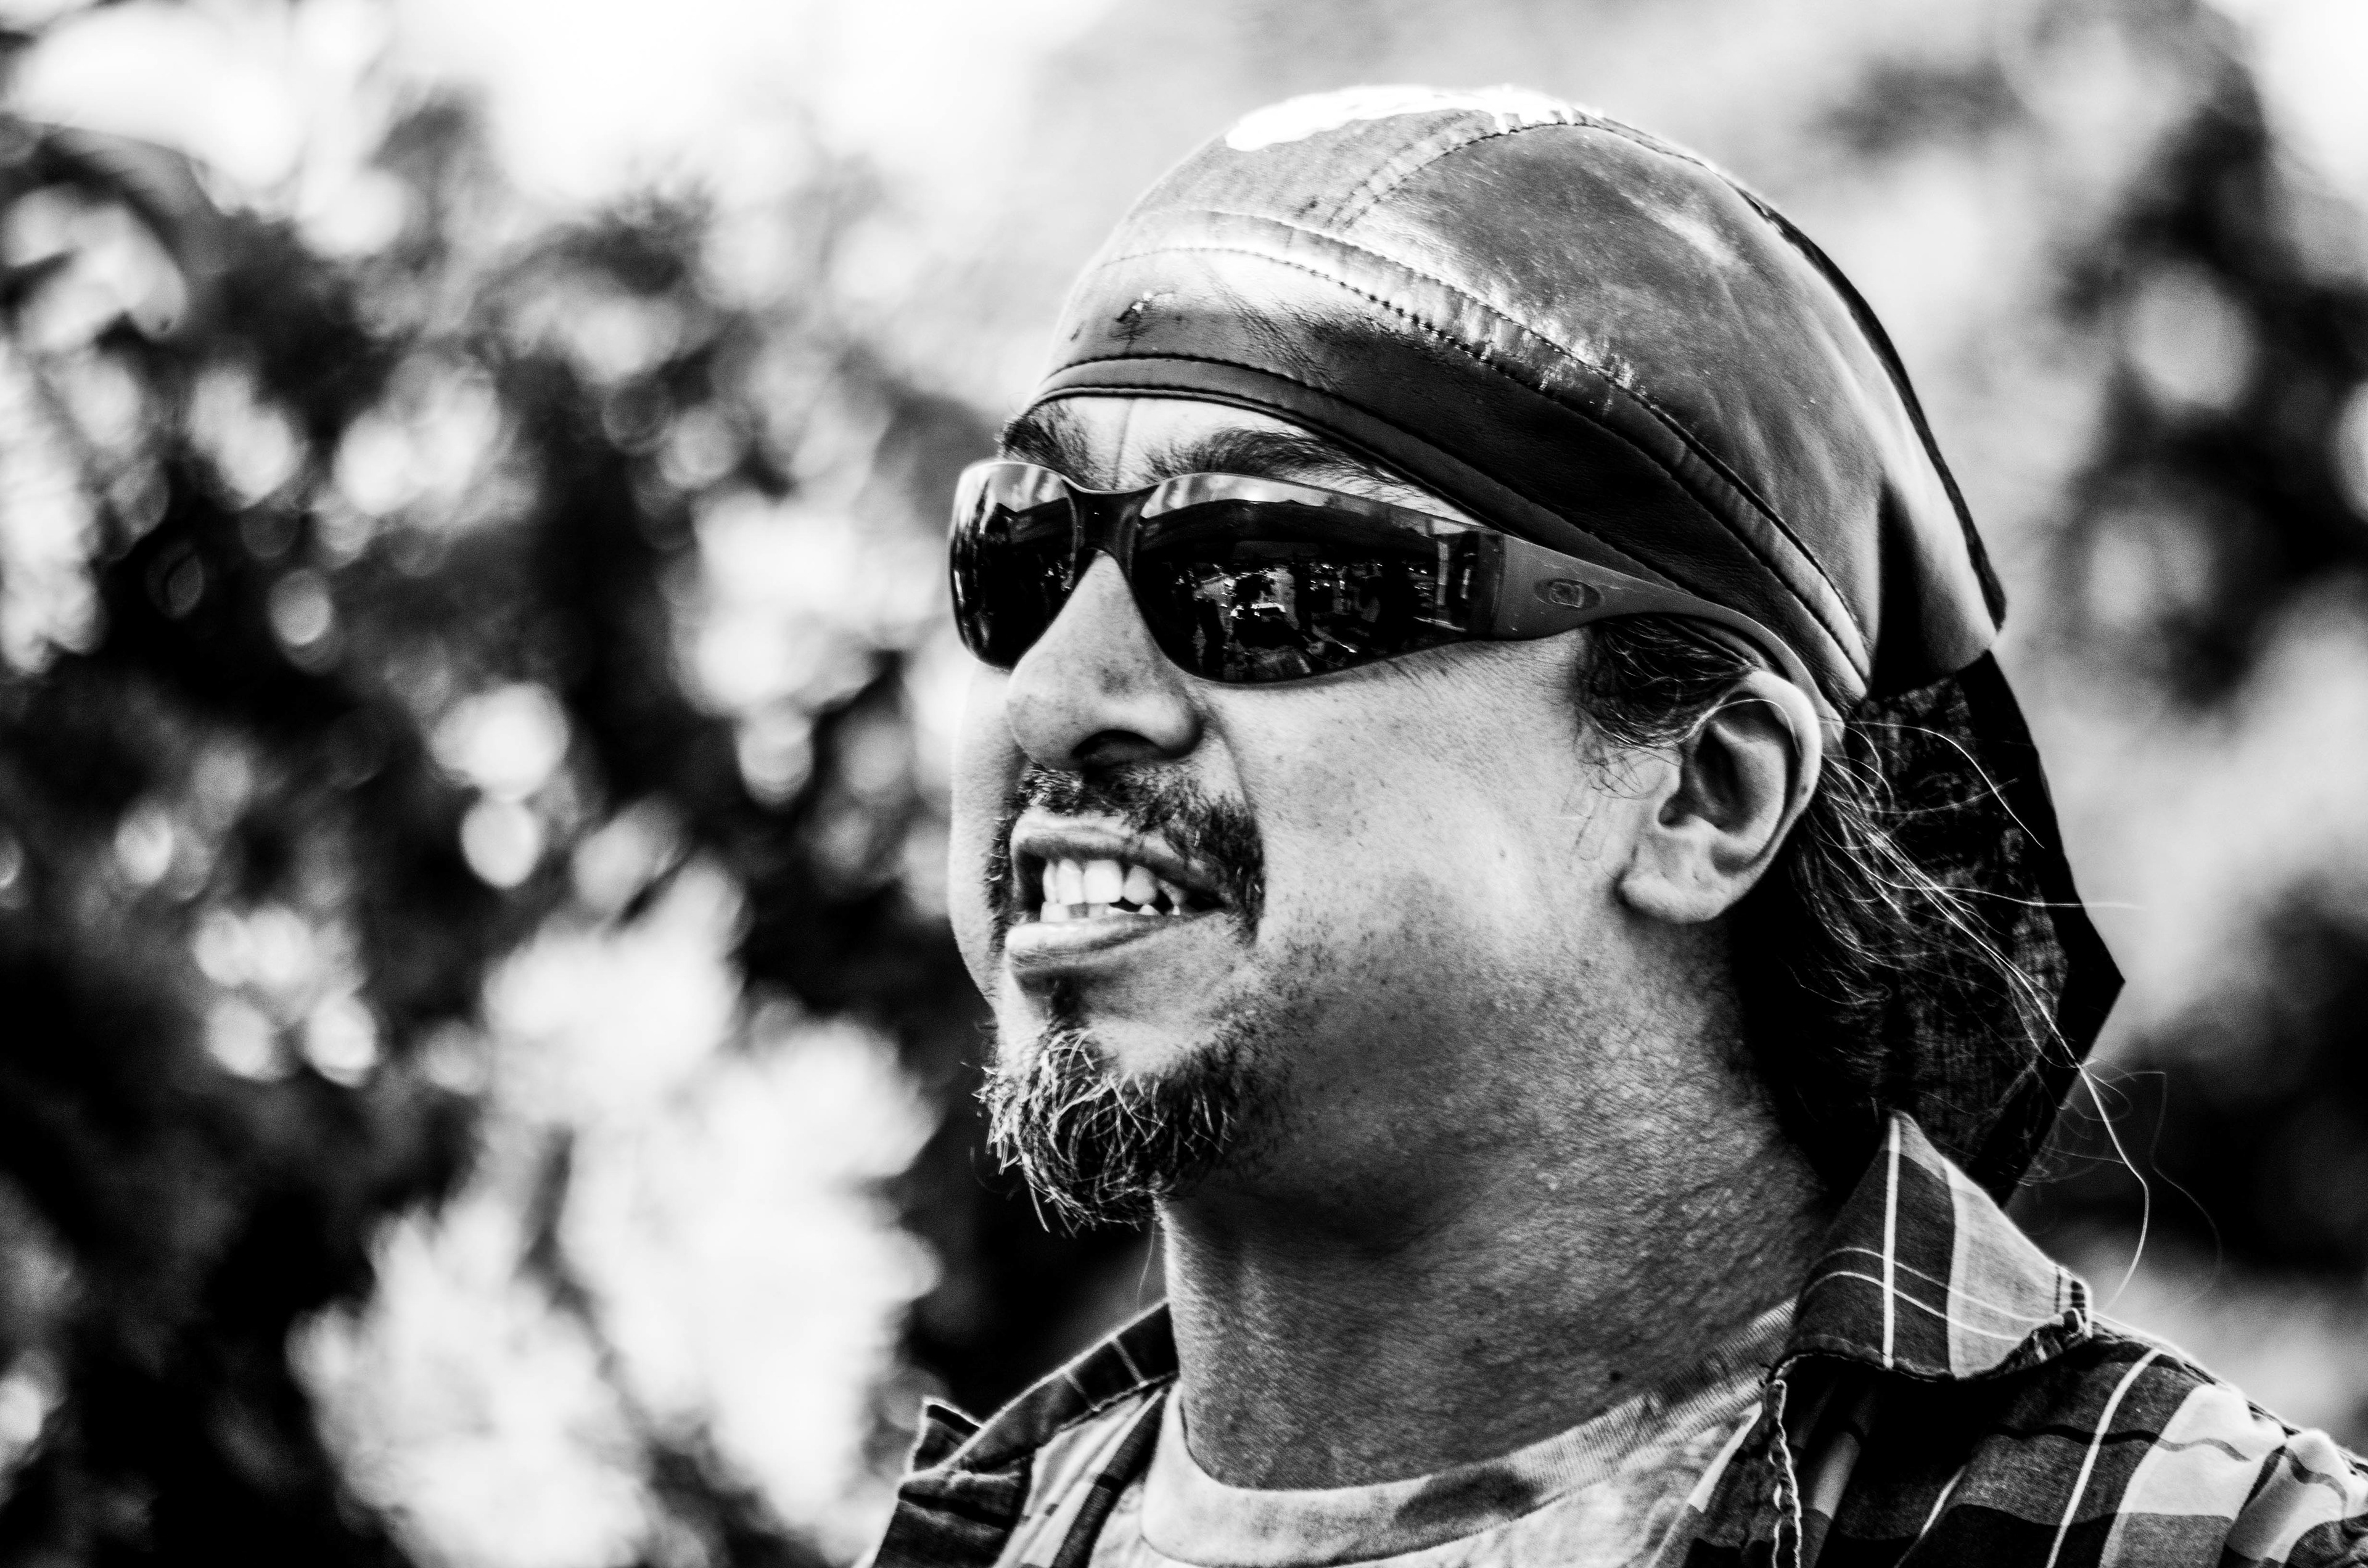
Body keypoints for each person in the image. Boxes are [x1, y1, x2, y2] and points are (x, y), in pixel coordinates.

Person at [877, 86, 2368, 1568]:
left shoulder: (2210, 1548)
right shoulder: (976, 1537)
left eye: (1261, 575)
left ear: (1706, 790)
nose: (1053, 695)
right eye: (1024, 557)